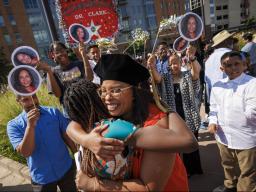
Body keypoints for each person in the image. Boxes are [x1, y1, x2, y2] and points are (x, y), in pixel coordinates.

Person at [67, 54, 199, 191]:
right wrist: (87, 140)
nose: (107, 97)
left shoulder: (156, 123)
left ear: (134, 91)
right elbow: (72, 126)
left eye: (116, 90)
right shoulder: (112, 110)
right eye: (103, 90)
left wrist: (94, 185)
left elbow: (149, 189)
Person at [7, 94, 77, 192]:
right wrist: (30, 126)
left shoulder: (53, 112)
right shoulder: (13, 125)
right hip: (42, 178)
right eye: (26, 99)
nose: (32, 102)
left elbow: (67, 136)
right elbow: (26, 152)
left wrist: (77, 156)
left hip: (66, 168)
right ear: (18, 101)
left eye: (34, 96)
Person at [208, 51, 256, 192]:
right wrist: (212, 121)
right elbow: (214, 107)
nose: (233, 68)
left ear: (244, 65)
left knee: (248, 170)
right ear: (222, 69)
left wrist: (243, 117)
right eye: (228, 65)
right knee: (227, 164)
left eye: (236, 64)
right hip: (223, 134)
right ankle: (230, 184)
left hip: (246, 136)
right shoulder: (217, 86)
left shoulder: (252, 83)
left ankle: (245, 189)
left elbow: (253, 110)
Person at [38, 41, 93, 111]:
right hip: (71, 110)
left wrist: (83, 55)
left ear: (66, 51)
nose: (61, 54)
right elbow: (58, 94)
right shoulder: (52, 72)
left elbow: (90, 78)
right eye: (57, 52)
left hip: (88, 105)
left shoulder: (79, 64)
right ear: (52, 55)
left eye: (62, 50)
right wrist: (48, 71)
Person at [204, 30, 234, 114]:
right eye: (230, 38)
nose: (232, 40)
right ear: (225, 41)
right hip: (232, 99)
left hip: (216, 100)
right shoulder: (233, 55)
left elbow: (207, 84)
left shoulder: (208, 60)